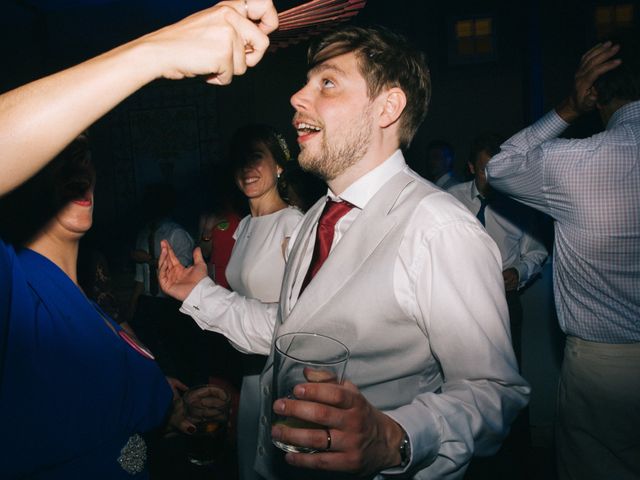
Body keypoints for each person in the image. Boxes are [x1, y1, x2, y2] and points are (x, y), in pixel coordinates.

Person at [159, 25, 529, 480]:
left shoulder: (437, 227)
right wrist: (198, 293)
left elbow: (494, 392)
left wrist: (395, 436)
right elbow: (288, 335)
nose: (297, 96)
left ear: (388, 107)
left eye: (327, 83)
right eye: (307, 81)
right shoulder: (318, 216)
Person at [0, 0, 279, 477]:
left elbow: (101, 424)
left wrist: (175, 412)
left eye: (84, 152)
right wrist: (156, 52)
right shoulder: (16, 288)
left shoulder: (90, 299)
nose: (76, 166)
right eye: (55, 152)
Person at [486, 39, 640, 480]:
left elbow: (502, 167)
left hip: (603, 367)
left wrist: (568, 108)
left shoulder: (580, 161)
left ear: (597, 93)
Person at [225, 124, 304, 480]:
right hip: (248, 369)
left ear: (280, 166)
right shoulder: (242, 226)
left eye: (257, 157)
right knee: (247, 461)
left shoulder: (293, 224)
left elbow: (305, 310)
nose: (248, 168)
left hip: (280, 369)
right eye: (241, 161)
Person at [448, 133, 548, 366]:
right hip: (457, 298)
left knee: (509, 371)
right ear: (472, 168)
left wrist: (518, 271)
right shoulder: (450, 198)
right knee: (461, 369)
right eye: (485, 170)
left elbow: (537, 251)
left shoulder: (520, 203)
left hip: (505, 300)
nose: (492, 179)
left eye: (498, 171)